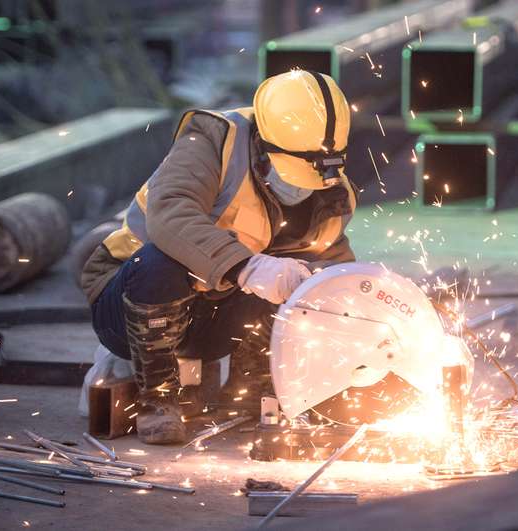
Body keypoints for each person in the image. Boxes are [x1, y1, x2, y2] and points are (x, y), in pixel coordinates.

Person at [80, 71, 357, 444]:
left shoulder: (331, 191)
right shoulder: (211, 142)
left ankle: (252, 382)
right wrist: (249, 267)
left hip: (213, 321)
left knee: (300, 280)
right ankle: (159, 399)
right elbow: (170, 217)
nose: (300, 187)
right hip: (129, 307)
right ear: (263, 141)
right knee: (162, 260)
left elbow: (337, 276)